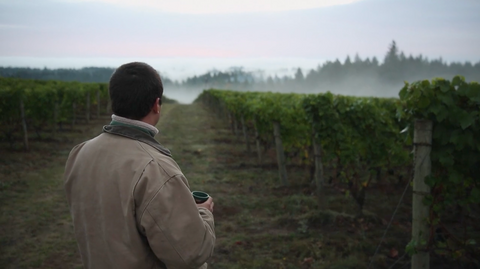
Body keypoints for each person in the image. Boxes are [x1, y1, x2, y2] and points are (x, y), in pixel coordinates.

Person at [63, 62, 215, 269]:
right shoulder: (155, 168)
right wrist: (203, 213)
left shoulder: (80, 152)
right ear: (156, 104)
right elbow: (191, 253)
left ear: (114, 101)